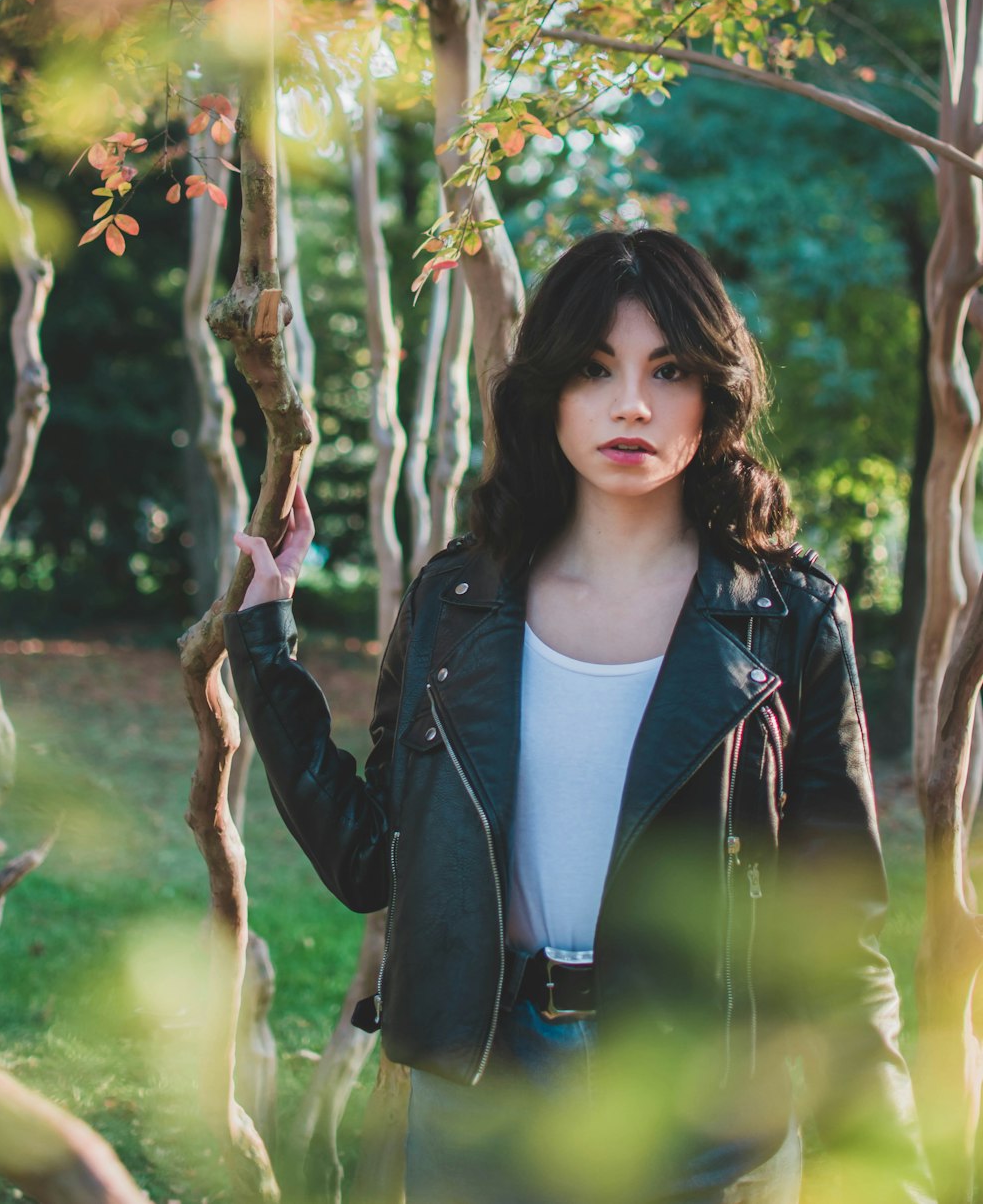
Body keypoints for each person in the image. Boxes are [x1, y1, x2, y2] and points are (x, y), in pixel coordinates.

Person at [224, 228, 933, 1204]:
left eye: (668, 368)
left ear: (713, 393)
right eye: (596, 369)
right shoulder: (456, 599)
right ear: (548, 391)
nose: (630, 402)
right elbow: (367, 859)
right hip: (480, 1090)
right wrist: (263, 648)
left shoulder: (789, 614)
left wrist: (883, 1163)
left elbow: (834, 926)